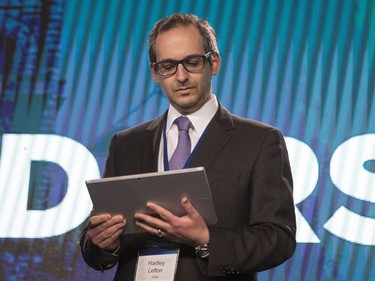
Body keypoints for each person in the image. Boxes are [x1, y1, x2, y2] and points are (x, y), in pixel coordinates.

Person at [80, 13, 296, 281]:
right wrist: (104, 243)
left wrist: (206, 238)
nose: (180, 76)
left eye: (192, 62)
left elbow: (278, 238)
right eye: (168, 66)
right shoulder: (125, 143)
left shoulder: (259, 141)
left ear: (213, 62)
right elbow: (94, 248)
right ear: (155, 72)